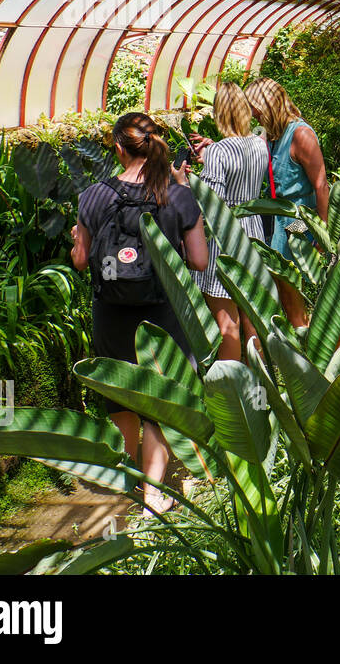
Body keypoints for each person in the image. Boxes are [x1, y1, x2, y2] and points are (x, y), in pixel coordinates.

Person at [70, 112, 208, 515]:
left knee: (120, 394)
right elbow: (198, 261)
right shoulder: (177, 196)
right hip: (162, 313)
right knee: (158, 395)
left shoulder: (92, 195)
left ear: (118, 147)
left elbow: (80, 261)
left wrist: (77, 240)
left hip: (110, 311)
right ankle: (153, 492)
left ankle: (134, 475)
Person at [187, 83, 269, 363]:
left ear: (219, 113)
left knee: (227, 324)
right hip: (254, 230)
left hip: (225, 235)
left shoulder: (219, 152)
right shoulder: (260, 145)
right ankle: (261, 383)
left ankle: (232, 391)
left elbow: (210, 201)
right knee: (252, 317)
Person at [245, 77, 327, 328]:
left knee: (285, 276)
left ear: (267, 106)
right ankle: (299, 326)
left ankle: (301, 330)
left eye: (255, 110)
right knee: (281, 279)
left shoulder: (300, 135)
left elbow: (322, 185)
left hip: (297, 218)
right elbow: (247, 149)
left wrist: (323, 235)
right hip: (277, 215)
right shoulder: (271, 135)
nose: (253, 115)